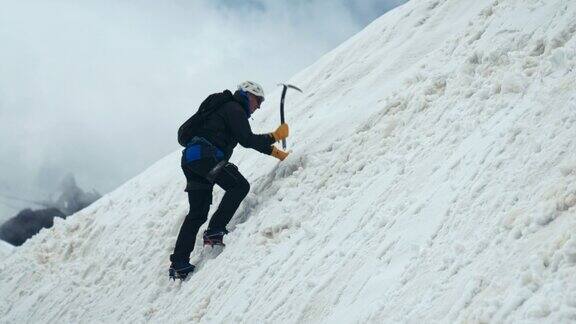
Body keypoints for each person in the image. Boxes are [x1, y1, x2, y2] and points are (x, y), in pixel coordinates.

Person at [169, 81, 290, 280]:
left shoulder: (228, 109)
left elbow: (246, 139)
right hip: (206, 157)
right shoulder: (234, 108)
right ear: (247, 95)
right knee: (239, 186)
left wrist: (277, 153)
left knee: (197, 213)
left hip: (192, 159)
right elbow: (247, 140)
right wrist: (275, 136)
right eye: (257, 100)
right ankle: (214, 231)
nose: (258, 106)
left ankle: (179, 264)